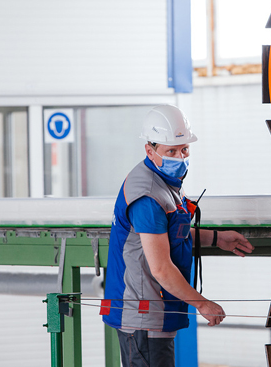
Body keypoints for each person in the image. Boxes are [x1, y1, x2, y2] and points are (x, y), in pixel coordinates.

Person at [102, 104, 254, 367]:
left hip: (150, 314)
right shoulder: (148, 196)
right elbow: (160, 268)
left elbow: (170, 234)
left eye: (184, 149)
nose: (180, 156)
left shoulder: (162, 182)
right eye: (171, 151)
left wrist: (217, 239)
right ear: (150, 150)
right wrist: (202, 304)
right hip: (142, 317)